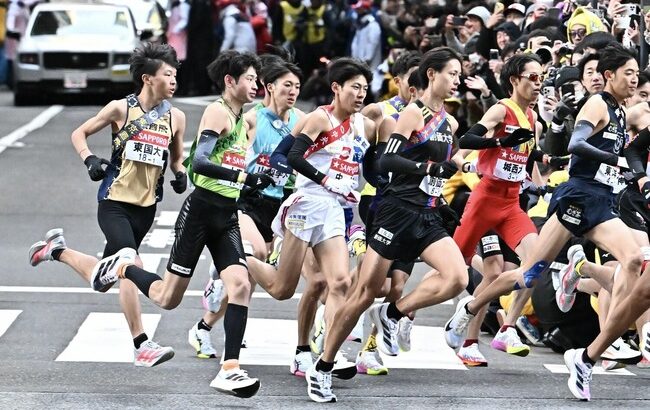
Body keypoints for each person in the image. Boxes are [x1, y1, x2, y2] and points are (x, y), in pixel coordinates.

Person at [89, 50, 267, 398]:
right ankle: (123, 267)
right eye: (250, 78)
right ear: (230, 81)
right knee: (167, 298)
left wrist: (252, 180)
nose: (256, 85)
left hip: (226, 215)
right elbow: (199, 163)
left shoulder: (245, 119)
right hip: (200, 214)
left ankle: (230, 369)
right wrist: (242, 175)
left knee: (241, 285)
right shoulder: (217, 112)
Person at [306, 47, 468, 403]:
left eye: (459, 74)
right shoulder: (411, 113)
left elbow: (447, 161)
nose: (457, 80)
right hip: (395, 211)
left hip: (427, 214)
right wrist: (426, 170)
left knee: (457, 277)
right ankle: (324, 365)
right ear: (431, 75)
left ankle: (393, 312)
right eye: (452, 73)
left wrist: (448, 187)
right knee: (364, 292)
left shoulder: (450, 122)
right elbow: (389, 160)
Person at [28, 43, 186, 367]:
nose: (173, 81)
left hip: (146, 208)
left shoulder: (177, 117)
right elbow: (79, 133)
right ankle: (142, 344)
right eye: (167, 74)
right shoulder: (121, 109)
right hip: (114, 202)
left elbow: (178, 156)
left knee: (106, 279)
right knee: (129, 261)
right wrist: (89, 160)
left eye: (175, 75)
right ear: (147, 78)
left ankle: (56, 250)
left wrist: (180, 173)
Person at [245, 57, 375, 381]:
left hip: (334, 211)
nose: (361, 94)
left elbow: (372, 169)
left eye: (365, 88)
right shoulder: (319, 118)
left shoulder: (363, 126)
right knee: (281, 289)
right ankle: (240, 258)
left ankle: (328, 353)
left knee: (338, 282)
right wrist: (326, 179)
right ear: (336, 88)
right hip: (306, 206)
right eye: (354, 87)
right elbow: (289, 155)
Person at [446, 53, 543, 359]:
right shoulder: (502, 110)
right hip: (483, 200)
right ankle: (399, 312)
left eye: (542, 77)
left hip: (511, 204)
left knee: (536, 263)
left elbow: (528, 164)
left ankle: (503, 329)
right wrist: (499, 143)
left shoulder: (534, 120)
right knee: (455, 274)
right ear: (515, 80)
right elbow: (467, 141)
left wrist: (542, 186)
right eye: (534, 77)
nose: (540, 84)